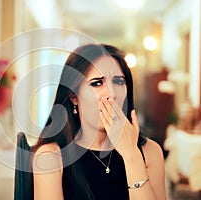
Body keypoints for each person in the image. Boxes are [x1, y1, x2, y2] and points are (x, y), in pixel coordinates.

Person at [31, 44, 166, 200]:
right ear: (74, 96)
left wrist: (131, 155)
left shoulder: (150, 152)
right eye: (96, 83)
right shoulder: (51, 157)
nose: (112, 94)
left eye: (119, 81)